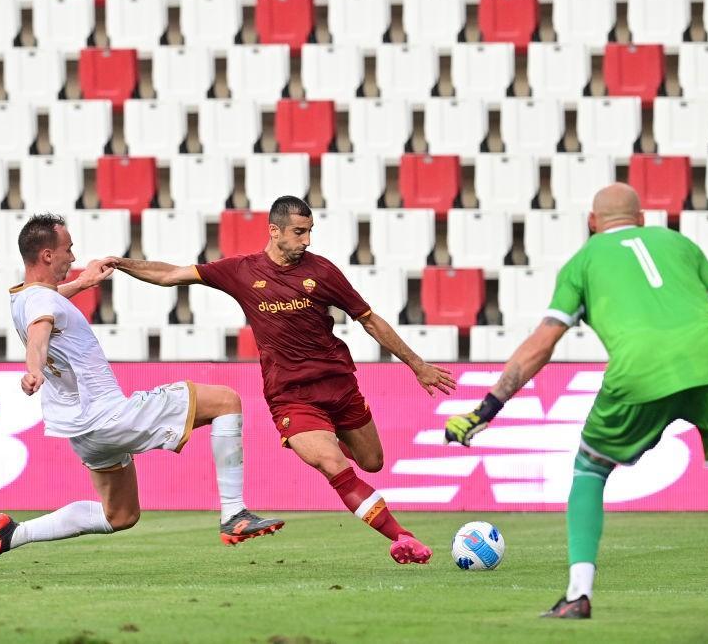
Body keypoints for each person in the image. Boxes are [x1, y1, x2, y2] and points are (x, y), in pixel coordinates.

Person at [444, 183, 708, 623]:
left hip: (637, 373)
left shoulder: (582, 262)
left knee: (590, 468)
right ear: (643, 219)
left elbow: (542, 343)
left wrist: (487, 408)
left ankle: (578, 594)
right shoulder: (681, 244)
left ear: (592, 223)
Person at [108, 195, 457, 564]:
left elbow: (368, 319)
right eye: (299, 232)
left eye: (309, 232)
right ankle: (401, 536)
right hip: (291, 397)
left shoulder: (322, 272)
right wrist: (119, 264)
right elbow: (170, 274)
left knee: (371, 463)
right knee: (331, 464)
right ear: (274, 231)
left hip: (339, 386)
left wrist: (417, 365)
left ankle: (335, 438)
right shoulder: (241, 271)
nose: (306, 241)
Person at [0, 213, 283, 576]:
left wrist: (83, 283)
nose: (73, 255)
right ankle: (234, 513)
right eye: (68, 249)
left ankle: (13, 534)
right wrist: (32, 368)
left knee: (120, 515)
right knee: (226, 401)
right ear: (47, 255)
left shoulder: (24, 297)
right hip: (109, 415)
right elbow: (39, 334)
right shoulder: (40, 307)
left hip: (82, 432)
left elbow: (46, 305)